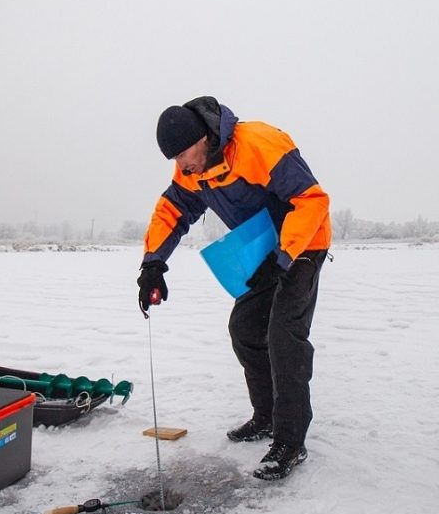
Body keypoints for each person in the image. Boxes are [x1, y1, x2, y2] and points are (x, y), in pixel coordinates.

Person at [138, 96, 331, 480]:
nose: (182, 166)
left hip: (303, 243)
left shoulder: (258, 145)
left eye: (183, 156)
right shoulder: (194, 170)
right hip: (264, 249)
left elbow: (311, 200)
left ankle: (290, 442)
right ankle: (266, 417)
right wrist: (153, 264)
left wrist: (284, 257)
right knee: (244, 328)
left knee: (283, 333)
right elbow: (172, 210)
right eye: (174, 160)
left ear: (202, 138)